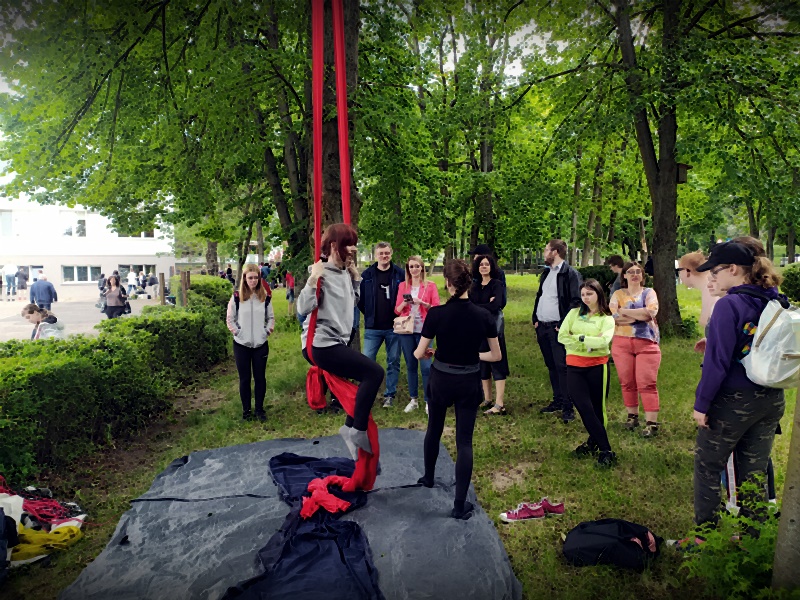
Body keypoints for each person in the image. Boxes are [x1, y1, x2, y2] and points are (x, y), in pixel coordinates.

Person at [692, 241, 785, 527]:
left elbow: (717, 364)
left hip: (735, 400)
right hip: (771, 398)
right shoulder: (774, 299)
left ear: (733, 269)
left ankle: (705, 536)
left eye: (716, 271)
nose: (712, 277)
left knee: (707, 465)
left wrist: (702, 404)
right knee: (754, 470)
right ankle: (752, 535)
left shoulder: (729, 304)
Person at [414, 259, 501, 520]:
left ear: (448, 283)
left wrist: (433, 352)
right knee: (464, 441)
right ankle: (459, 505)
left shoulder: (437, 314)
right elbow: (495, 356)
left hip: (441, 379)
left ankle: (428, 477)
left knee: (434, 429)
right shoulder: (483, 315)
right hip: (468, 381)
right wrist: (472, 355)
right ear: (469, 283)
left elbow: (419, 352)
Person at [298, 223, 384, 459]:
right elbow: (303, 308)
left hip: (336, 342)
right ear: (335, 246)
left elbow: (351, 302)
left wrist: (355, 279)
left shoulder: (346, 272)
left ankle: (350, 426)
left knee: (365, 382)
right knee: (374, 373)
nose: (354, 250)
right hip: (320, 344)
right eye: (350, 245)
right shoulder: (321, 273)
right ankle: (356, 430)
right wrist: (313, 279)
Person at [558, 279, 617, 467]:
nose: (585, 298)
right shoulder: (574, 313)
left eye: (589, 294)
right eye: (583, 294)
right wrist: (588, 342)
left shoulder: (606, 318)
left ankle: (596, 445)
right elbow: (562, 336)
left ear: (599, 294)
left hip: (597, 366)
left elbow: (604, 342)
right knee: (583, 406)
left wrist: (578, 338)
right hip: (574, 367)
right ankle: (606, 448)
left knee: (597, 409)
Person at [609, 261, 662, 437]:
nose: (634, 275)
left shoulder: (649, 292)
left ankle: (651, 423)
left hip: (646, 342)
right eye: (630, 272)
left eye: (638, 271)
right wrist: (637, 315)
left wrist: (625, 312)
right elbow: (613, 316)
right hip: (621, 343)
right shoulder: (617, 294)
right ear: (624, 275)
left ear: (642, 275)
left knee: (646, 382)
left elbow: (650, 313)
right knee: (627, 381)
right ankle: (632, 417)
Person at [533, 239, 582, 423]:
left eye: (546, 250)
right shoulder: (547, 273)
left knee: (562, 367)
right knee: (551, 365)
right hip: (542, 326)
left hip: (557, 328)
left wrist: (562, 324)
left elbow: (576, 301)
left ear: (555, 252)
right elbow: (541, 296)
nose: (544, 253)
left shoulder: (570, 274)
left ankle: (569, 407)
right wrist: (535, 318)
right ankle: (558, 400)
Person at [358, 242, 405, 407]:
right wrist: (369, 314)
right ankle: (367, 394)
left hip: (394, 327)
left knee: (393, 361)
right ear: (376, 255)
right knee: (367, 361)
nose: (384, 256)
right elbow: (360, 300)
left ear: (391, 254)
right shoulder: (367, 275)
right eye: (381, 253)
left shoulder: (399, 274)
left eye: (387, 253)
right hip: (373, 328)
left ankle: (389, 395)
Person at [226, 263, 275, 422]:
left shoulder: (265, 298)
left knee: (260, 378)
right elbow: (230, 319)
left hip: (260, 345)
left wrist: (266, 331)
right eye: (250, 278)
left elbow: (271, 318)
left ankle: (259, 409)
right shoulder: (236, 298)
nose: (253, 281)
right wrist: (238, 332)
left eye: (256, 278)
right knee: (245, 379)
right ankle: (246, 411)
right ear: (245, 279)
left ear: (259, 279)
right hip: (241, 345)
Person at [395, 255, 440, 414]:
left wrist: (422, 303)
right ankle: (413, 399)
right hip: (407, 330)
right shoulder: (403, 286)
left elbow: (436, 308)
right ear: (408, 269)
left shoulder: (430, 286)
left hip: (424, 331)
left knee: (426, 367)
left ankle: (428, 400)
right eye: (411, 267)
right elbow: (397, 310)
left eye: (417, 266)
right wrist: (405, 302)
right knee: (411, 365)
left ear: (422, 268)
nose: (414, 269)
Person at [469, 253, 510, 415]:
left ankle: (500, 403)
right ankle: (487, 399)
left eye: (487, 264)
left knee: (497, 363)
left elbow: (497, 305)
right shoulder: (474, 286)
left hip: (494, 328)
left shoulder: (497, 284)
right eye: (481, 264)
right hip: (478, 328)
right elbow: (469, 305)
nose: (484, 267)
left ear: (492, 267)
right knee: (482, 362)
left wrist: (478, 306)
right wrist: (487, 303)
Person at [678, 252, 718, 329]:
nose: (679, 275)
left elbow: (705, 322)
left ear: (687, 271)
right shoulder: (709, 288)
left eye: (679, 270)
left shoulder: (710, 290)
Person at [468, 243, 507, 308]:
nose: (474, 258)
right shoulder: (473, 275)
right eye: (481, 265)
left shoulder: (497, 278)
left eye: (476, 255)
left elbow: (499, 301)